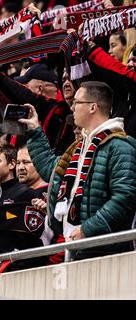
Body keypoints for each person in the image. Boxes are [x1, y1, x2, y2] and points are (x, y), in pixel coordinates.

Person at [21, 81, 136, 259]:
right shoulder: (79, 147)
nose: (72, 107)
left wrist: (87, 229)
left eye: (77, 102)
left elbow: (125, 197)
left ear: (92, 107)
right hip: (76, 246)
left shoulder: (120, 146)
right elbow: (52, 172)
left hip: (106, 250)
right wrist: (35, 131)